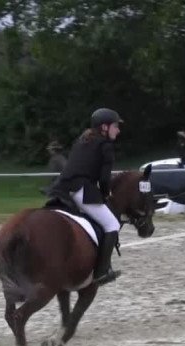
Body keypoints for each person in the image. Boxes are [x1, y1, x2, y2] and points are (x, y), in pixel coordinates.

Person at [46, 108, 123, 286]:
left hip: (62, 189)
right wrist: (106, 194)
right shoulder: (105, 146)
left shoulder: (83, 140)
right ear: (104, 127)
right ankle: (102, 272)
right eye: (116, 126)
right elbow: (104, 179)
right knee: (112, 224)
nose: (118, 130)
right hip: (81, 190)